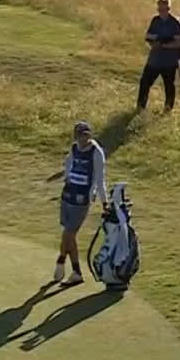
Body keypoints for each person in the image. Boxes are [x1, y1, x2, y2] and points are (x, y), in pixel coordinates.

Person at [45, 120, 106, 285]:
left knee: (69, 234)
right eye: (80, 136)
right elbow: (68, 168)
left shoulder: (96, 152)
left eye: (86, 135)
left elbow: (100, 180)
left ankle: (61, 260)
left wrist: (104, 202)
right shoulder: (73, 149)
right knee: (69, 236)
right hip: (67, 196)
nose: (83, 139)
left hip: (81, 200)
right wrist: (60, 176)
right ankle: (77, 272)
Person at [137, 0, 180, 113]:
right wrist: (155, 42)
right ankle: (140, 108)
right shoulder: (155, 20)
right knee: (144, 83)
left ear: (169, 9)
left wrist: (163, 44)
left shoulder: (175, 23)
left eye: (163, 10)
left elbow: (178, 42)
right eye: (159, 10)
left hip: (169, 62)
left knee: (169, 86)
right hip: (154, 60)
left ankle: (168, 109)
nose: (161, 12)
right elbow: (148, 36)